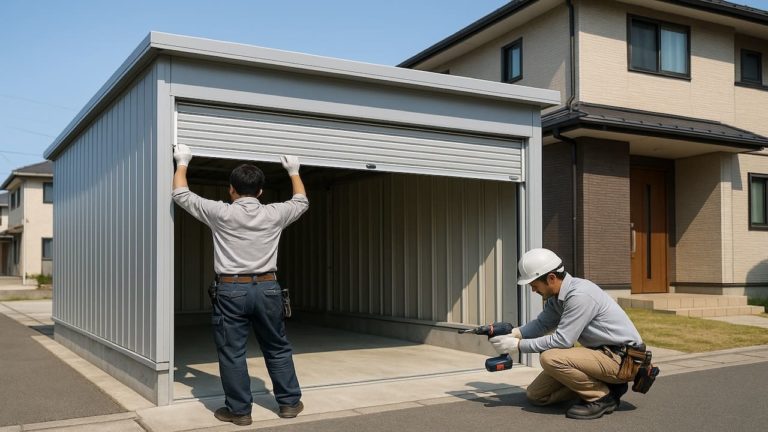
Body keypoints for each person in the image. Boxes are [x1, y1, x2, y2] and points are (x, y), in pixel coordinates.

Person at [172, 144, 308, 426]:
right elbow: (301, 201)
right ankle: (289, 404)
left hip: (231, 289)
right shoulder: (274, 213)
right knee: (277, 347)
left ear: (231, 189)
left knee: (232, 352)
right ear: (260, 191)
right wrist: (293, 171)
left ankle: (240, 411)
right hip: (268, 288)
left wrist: (182, 161)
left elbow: (181, 194)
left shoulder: (221, 213)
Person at [489, 248, 644, 420]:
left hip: (623, 360)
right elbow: (542, 324)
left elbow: (562, 340)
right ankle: (604, 385)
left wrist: (518, 346)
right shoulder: (557, 298)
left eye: (534, 285)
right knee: (536, 395)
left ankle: (601, 397)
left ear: (551, 278)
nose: (533, 290)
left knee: (550, 357)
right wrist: (514, 334)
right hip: (601, 354)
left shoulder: (580, 295)